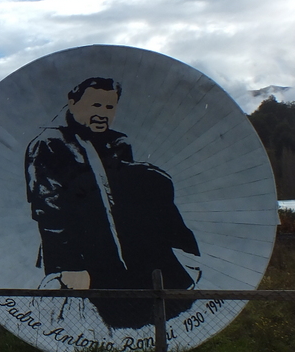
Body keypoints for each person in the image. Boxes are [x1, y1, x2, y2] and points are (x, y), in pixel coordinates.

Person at [25, 77, 200, 329]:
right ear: (72, 103)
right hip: (87, 257)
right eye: (95, 106)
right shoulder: (51, 144)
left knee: (141, 315)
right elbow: (51, 211)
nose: (102, 114)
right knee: (106, 318)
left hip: (129, 254)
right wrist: (69, 267)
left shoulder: (117, 142)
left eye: (109, 108)